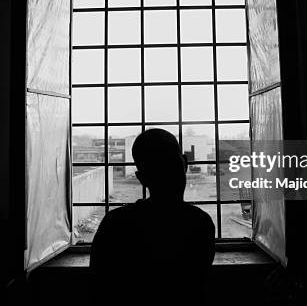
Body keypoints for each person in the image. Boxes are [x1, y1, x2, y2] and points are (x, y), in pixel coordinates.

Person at [90, 128, 216, 306]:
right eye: (162, 167)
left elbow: (99, 291)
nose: (167, 174)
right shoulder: (199, 223)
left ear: (141, 178)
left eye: (169, 165)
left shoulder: (116, 225)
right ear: (185, 164)